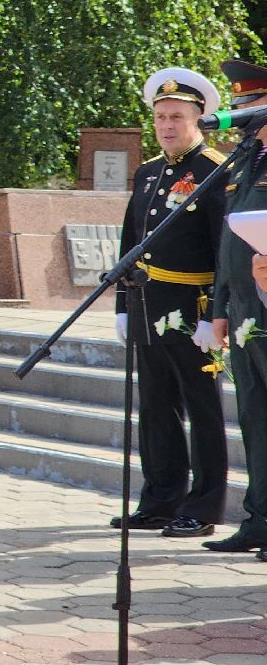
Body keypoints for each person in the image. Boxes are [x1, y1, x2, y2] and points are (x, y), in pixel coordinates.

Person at [109, 68, 228, 539]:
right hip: (147, 301)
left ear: (198, 118)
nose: (167, 125)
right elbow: (129, 242)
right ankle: (161, 499)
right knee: (156, 405)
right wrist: (122, 303)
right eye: (160, 117)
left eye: (177, 117)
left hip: (194, 304)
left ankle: (204, 506)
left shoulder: (215, 172)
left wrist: (218, 312)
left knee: (202, 408)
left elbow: (226, 248)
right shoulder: (149, 173)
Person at [208, 58, 267, 560]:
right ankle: (259, 519)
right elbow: (229, 247)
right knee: (254, 417)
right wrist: (221, 306)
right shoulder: (245, 163)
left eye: (253, 108)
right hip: (247, 308)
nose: (244, 117)